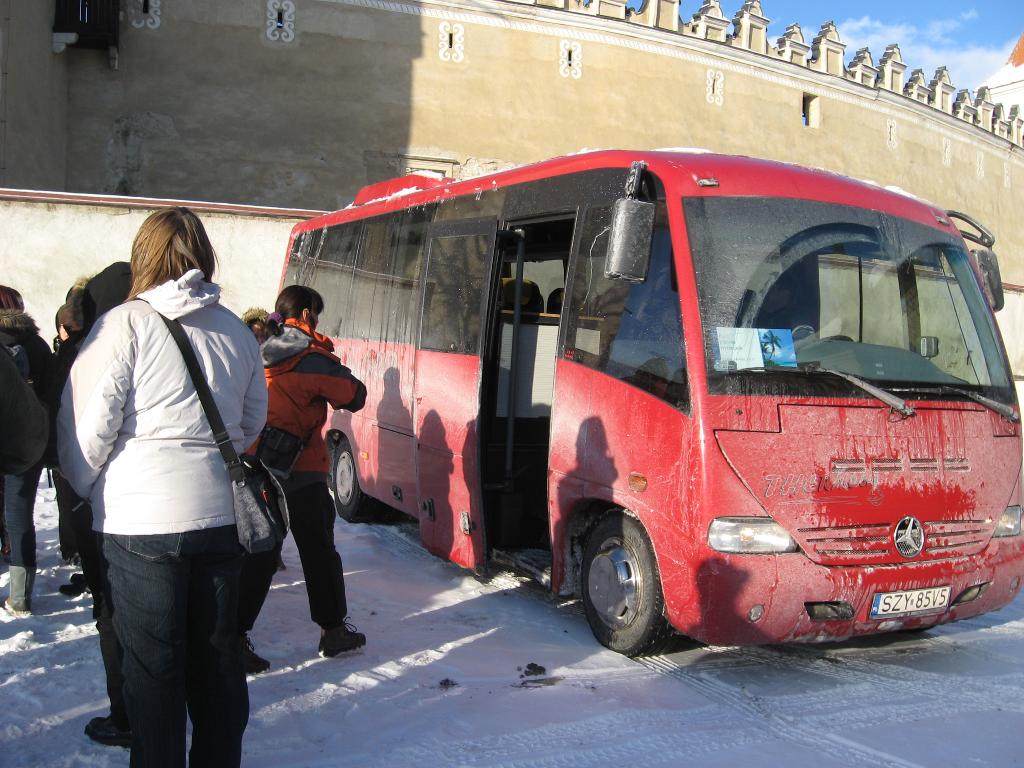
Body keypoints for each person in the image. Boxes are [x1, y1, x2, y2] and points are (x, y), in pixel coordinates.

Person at [59, 208, 267, 767]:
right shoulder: (233, 328)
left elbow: (85, 433)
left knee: (153, 668)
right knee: (217, 660)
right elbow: (250, 423)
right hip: (218, 517)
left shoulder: (123, 325)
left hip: (140, 523)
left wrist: (86, 487)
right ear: (205, 254)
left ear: (143, 256)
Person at [237, 285, 366, 674]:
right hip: (302, 469)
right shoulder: (310, 358)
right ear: (308, 315)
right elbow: (354, 395)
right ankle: (332, 631)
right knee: (318, 551)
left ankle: (233, 635)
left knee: (258, 552)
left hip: (256, 463)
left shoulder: (254, 350)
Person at [51, 263, 135, 747]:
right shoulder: (171, 338)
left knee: (116, 615)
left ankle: (128, 715)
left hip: (107, 507)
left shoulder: (91, 353)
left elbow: (79, 445)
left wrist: (78, 487)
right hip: (167, 507)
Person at [1, 284, 55, 617]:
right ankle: (20, 595)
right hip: (27, 444)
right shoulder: (36, 344)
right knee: (20, 514)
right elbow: (53, 391)